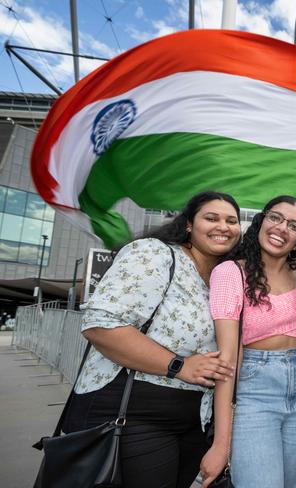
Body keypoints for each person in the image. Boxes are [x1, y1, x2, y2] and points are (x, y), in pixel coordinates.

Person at [61, 191, 241, 488]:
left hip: (192, 419)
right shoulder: (155, 253)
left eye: (232, 221)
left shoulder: (224, 279)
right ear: (188, 225)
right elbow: (101, 324)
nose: (223, 226)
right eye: (212, 218)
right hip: (130, 412)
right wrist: (179, 366)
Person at [201, 195, 296, 488]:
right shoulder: (230, 273)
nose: (282, 228)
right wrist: (221, 443)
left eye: (294, 226)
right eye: (275, 218)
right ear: (261, 221)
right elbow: (227, 360)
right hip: (255, 390)